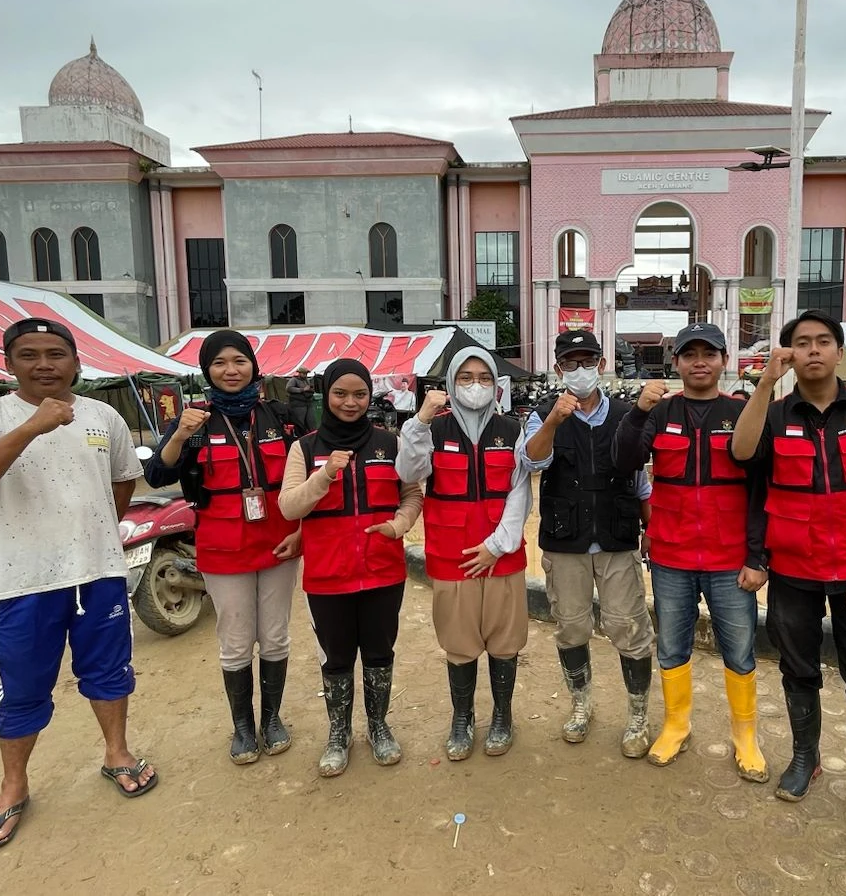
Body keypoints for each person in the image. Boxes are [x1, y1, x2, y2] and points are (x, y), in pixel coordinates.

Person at [0, 318, 157, 852]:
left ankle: (117, 753)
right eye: (30, 354)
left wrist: (94, 533)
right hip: (25, 581)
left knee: (110, 671)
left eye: (56, 354)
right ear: (8, 363)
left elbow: (122, 481)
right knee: (22, 688)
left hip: (100, 574)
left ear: (76, 362)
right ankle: (14, 785)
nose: (44, 364)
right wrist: (30, 428)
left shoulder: (103, 415)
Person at [730, 309, 846, 833]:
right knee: (798, 669)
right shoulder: (775, 410)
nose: (812, 350)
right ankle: (804, 759)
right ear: (789, 353)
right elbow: (743, 455)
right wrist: (765, 380)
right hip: (794, 569)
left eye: (822, 341)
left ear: (838, 350)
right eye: (801, 343)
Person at [612, 323, 769, 783]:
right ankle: (676, 725)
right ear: (675, 362)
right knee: (672, 646)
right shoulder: (659, 413)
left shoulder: (743, 412)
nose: (699, 361)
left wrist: (759, 558)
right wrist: (637, 414)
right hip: (672, 556)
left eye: (709, 353)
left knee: (739, 652)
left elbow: (761, 490)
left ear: (723, 360)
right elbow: (624, 463)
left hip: (729, 559)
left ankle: (745, 737)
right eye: (689, 354)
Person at [145, 330, 305, 765]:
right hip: (222, 547)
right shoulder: (193, 420)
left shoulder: (282, 417)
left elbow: (313, 475)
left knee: (274, 635)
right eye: (219, 363)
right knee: (235, 640)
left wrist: (304, 530)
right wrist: (179, 434)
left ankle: (272, 720)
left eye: (239, 361)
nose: (230, 370)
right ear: (206, 371)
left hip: (280, 542)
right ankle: (242, 728)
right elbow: (158, 475)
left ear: (253, 365)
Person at [279, 359, 423, 776]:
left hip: (382, 570)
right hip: (327, 576)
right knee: (337, 658)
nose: (350, 402)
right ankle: (338, 734)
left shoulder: (390, 443)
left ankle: (379, 727)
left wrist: (399, 525)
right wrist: (324, 475)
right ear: (326, 395)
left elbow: (412, 495)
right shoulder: (304, 449)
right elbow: (289, 506)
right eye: (340, 393)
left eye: (359, 394)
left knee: (380, 652)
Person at [524, 330, 655, 757]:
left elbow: (640, 481)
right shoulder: (544, 413)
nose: (579, 371)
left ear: (601, 364)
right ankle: (581, 705)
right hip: (567, 542)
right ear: (559, 368)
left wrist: (649, 529)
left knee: (628, 626)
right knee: (571, 625)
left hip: (617, 538)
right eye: (570, 363)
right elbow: (533, 460)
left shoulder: (624, 414)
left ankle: (637, 714)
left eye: (588, 361)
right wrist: (553, 421)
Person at [397, 346, 532, 760]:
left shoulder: (512, 429)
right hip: (451, 555)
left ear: (497, 384)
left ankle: (503, 715)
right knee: (459, 642)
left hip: (502, 555)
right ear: (450, 384)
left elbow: (521, 491)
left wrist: (497, 545)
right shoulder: (431, 430)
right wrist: (420, 419)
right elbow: (409, 472)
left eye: (485, 377)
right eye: (466, 377)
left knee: (505, 640)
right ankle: (463, 717)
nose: (476, 385)